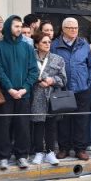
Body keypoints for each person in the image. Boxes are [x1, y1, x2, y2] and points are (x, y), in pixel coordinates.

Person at [0, 15, 39, 170]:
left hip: (24, 93)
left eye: (20, 26)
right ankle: (3, 156)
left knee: (23, 126)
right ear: (8, 27)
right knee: (3, 125)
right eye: (15, 26)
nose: (19, 29)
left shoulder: (27, 47)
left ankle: (21, 155)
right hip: (6, 93)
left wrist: (25, 88)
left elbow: (33, 70)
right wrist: (10, 88)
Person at [52, 17, 91, 161]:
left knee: (81, 120)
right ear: (63, 29)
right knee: (64, 120)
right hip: (63, 89)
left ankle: (80, 149)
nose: (74, 31)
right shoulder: (55, 45)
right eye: (70, 28)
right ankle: (64, 148)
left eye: (76, 28)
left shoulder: (84, 44)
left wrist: (89, 80)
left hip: (83, 88)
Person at [30, 31, 67, 166]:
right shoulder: (30, 57)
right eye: (44, 42)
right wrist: (38, 80)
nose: (47, 44)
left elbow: (63, 79)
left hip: (52, 96)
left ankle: (50, 152)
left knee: (51, 125)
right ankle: (39, 152)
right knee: (38, 124)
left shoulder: (58, 59)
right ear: (37, 44)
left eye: (49, 42)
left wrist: (51, 80)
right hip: (36, 95)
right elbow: (27, 73)